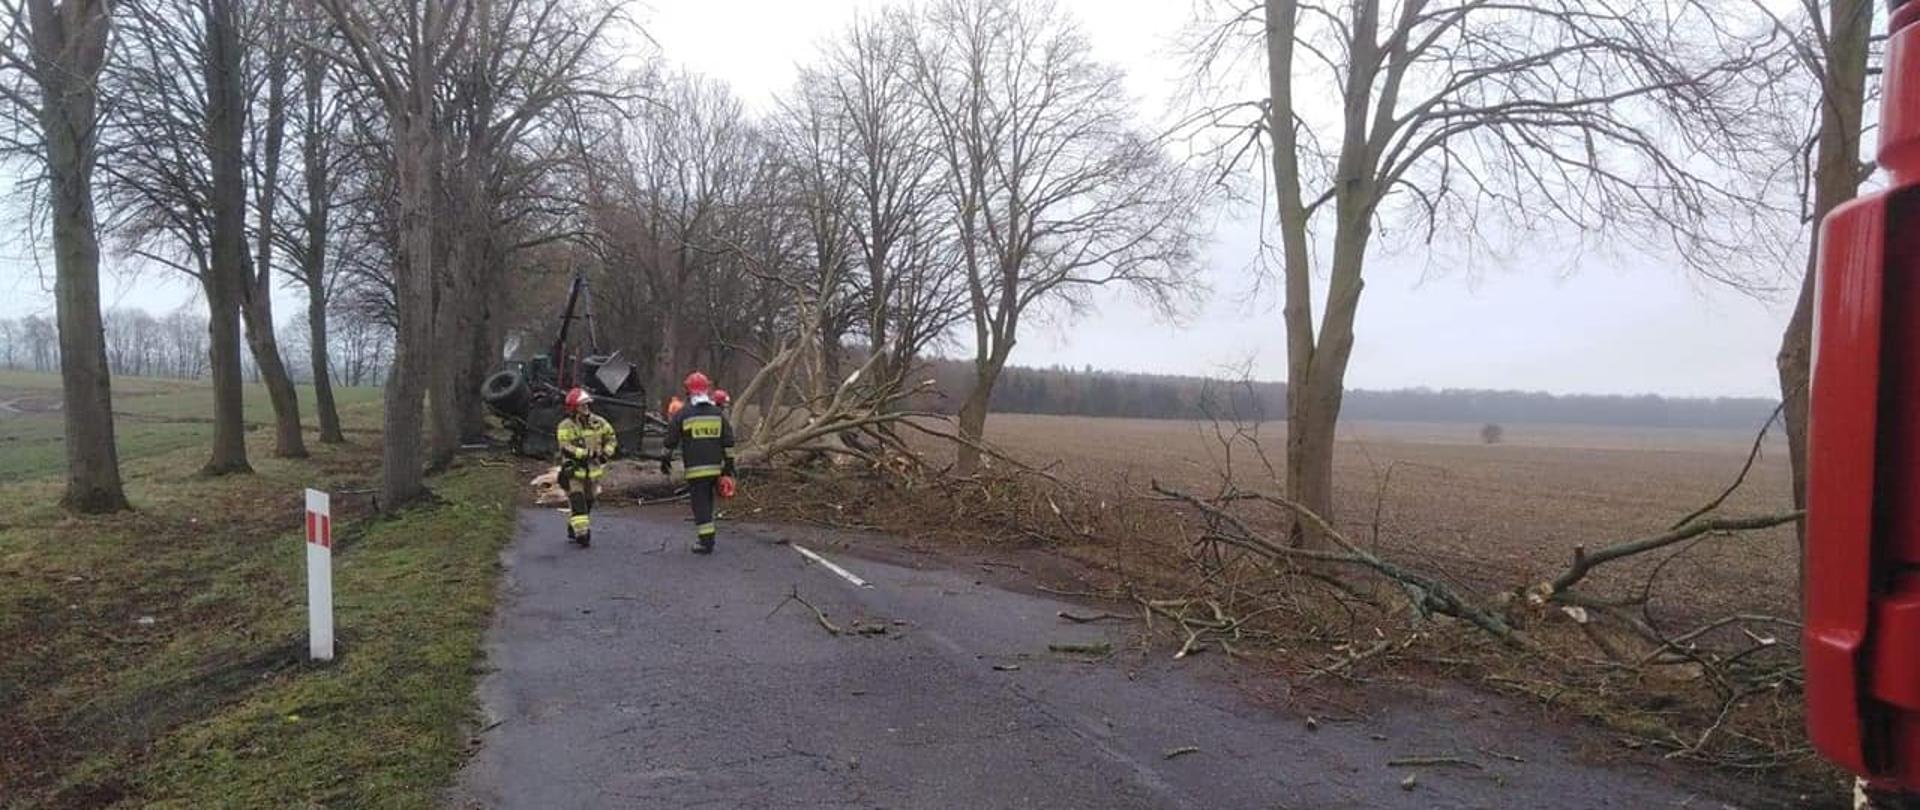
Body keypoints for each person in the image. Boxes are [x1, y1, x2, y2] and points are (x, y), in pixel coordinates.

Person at [664, 371, 735, 554]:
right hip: (715, 469)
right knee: (709, 503)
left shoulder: (684, 413)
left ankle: (706, 541)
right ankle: (707, 537)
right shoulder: (718, 414)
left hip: (696, 470)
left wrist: (665, 458)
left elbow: (671, 438)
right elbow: (728, 441)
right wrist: (729, 467)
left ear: (688, 392)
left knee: (700, 504)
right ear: (707, 390)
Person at [556, 387, 617, 547]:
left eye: (587, 405)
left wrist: (606, 453)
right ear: (574, 408)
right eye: (582, 406)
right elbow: (565, 446)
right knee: (578, 502)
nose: (586, 409)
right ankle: (582, 535)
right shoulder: (565, 426)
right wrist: (584, 454)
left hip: (593, 474)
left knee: (588, 502)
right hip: (575, 472)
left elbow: (611, 438)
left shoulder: (599, 423)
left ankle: (573, 526)